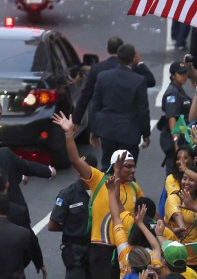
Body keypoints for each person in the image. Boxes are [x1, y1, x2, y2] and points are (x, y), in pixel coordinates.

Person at [53, 114, 144, 279]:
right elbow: (75, 160)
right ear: (115, 166)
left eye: (133, 167)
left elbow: (142, 216)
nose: (133, 170)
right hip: (101, 249)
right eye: (128, 167)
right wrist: (68, 134)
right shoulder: (99, 180)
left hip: (125, 248)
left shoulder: (135, 189)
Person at [88, 43, 151, 169]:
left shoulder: (103, 77)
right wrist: (146, 133)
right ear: (133, 59)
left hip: (108, 131)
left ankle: (107, 188)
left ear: (117, 57)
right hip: (129, 132)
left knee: (107, 167)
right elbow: (142, 110)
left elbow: (95, 104)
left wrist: (94, 130)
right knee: (128, 170)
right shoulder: (139, 80)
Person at [49, 155, 98, 279]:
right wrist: (73, 228)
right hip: (76, 251)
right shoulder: (68, 194)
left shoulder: (104, 191)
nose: (78, 171)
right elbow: (52, 224)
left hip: (98, 249)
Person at [158, 61, 193, 167]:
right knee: (174, 170)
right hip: (175, 137)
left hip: (183, 134)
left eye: (185, 73)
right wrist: (176, 142)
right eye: (180, 74)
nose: (184, 76)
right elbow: (171, 117)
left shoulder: (179, 89)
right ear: (173, 75)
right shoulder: (172, 93)